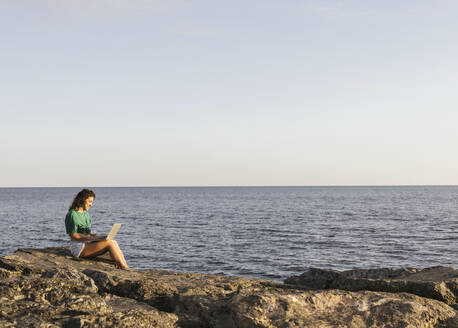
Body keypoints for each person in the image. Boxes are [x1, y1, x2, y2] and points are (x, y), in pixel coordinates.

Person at [65, 189, 129, 269]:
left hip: (87, 243)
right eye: (89, 201)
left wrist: (101, 237)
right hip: (78, 248)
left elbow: (87, 232)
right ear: (82, 200)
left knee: (113, 241)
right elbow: (74, 235)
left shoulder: (86, 215)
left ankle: (125, 266)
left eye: (92, 202)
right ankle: (124, 267)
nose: (91, 204)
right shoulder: (72, 214)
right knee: (110, 243)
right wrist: (95, 238)